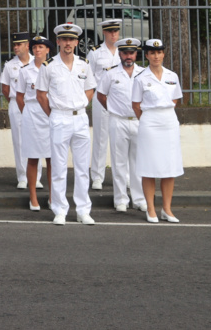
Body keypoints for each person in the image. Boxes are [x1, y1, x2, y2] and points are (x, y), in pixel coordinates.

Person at [36, 23, 97, 226]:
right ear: (58, 42)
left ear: (77, 42)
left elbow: (90, 89)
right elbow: (41, 94)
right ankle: (60, 209)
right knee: (59, 167)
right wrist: (53, 113)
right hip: (59, 118)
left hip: (80, 118)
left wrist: (82, 104)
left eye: (71, 39)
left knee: (82, 167)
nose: (68, 43)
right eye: (64, 39)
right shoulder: (49, 66)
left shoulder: (84, 64)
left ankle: (83, 210)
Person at [132, 38, 184, 224]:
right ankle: (151, 208)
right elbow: (136, 105)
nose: (156, 56)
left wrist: (164, 114)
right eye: (152, 53)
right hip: (150, 122)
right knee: (149, 166)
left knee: (169, 167)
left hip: (169, 121)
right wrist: (148, 120)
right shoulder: (141, 78)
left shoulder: (172, 76)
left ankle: (167, 209)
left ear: (163, 54)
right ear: (146, 55)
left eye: (159, 52)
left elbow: (175, 99)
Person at [95, 38, 147, 213]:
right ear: (120, 54)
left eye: (131, 52)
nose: (128, 56)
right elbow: (101, 96)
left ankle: (139, 199)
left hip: (138, 121)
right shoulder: (110, 73)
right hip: (118, 121)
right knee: (119, 163)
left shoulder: (143, 73)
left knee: (138, 162)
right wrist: (113, 110)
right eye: (125, 52)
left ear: (136, 54)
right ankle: (120, 199)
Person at [15, 35, 54, 212]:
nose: (37, 50)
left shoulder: (53, 68)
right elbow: (19, 96)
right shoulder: (25, 71)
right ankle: (33, 197)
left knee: (52, 158)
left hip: (50, 113)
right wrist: (27, 114)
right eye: (35, 47)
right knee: (32, 158)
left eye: (41, 47)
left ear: (48, 50)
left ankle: (54, 196)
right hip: (31, 113)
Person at [0, 32, 42, 190]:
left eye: (19, 44)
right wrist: (15, 101)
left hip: (35, 105)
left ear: (27, 45)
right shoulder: (10, 65)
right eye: (14, 44)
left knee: (36, 140)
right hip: (16, 105)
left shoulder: (37, 62)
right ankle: (22, 176)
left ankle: (36, 177)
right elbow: (5, 88)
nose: (16, 47)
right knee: (19, 141)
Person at [87, 19, 121, 189]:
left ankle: (122, 176)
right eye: (110, 32)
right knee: (100, 139)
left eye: (116, 31)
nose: (114, 34)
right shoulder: (95, 53)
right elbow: (88, 76)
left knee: (120, 140)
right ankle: (98, 177)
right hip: (101, 99)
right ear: (105, 33)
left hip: (120, 100)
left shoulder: (123, 51)